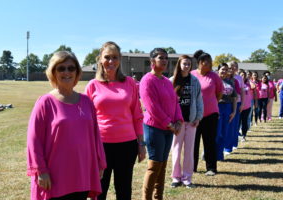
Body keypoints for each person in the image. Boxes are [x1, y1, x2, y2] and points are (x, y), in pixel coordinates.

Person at [27, 51, 106, 200]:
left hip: (82, 172)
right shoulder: (45, 103)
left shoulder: (86, 101)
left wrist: (100, 161)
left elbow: (95, 134)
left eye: (71, 68)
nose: (66, 72)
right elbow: (34, 141)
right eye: (61, 68)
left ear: (77, 71)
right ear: (53, 72)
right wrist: (41, 171)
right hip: (55, 175)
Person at [85, 41, 145, 200]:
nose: (111, 61)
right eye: (107, 57)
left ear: (120, 59)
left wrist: (141, 144)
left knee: (124, 190)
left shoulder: (130, 83)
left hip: (127, 145)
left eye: (115, 57)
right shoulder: (92, 85)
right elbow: (87, 120)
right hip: (101, 145)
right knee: (99, 191)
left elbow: (137, 115)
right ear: (99, 59)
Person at [140, 48, 183, 200]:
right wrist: (169, 124)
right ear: (152, 61)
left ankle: (159, 197)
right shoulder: (147, 80)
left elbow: (175, 102)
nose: (164, 60)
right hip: (154, 128)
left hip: (169, 129)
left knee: (163, 165)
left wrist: (178, 121)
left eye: (166, 58)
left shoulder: (166, 81)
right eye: (161, 58)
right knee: (154, 165)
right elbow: (152, 107)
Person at [169, 55, 203, 188]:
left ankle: (187, 178)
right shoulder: (172, 80)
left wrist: (198, 117)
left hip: (191, 120)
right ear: (179, 64)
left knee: (189, 151)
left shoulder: (194, 80)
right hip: (177, 121)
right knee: (176, 149)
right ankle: (176, 177)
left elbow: (199, 100)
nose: (187, 66)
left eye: (189, 64)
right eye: (184, 64)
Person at [191, 50, 223, 176]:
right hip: (193, 115)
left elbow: (219, 93)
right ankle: (191, 167)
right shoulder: (192, 75)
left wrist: (210, 103)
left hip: (211, 115)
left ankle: (211, 168)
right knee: (193, 142)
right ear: (199, 63)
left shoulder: (214, 76)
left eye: (210, 62)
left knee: (209, 142)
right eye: (207, 62)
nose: (210, 64)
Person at [216, 63, 237, 160]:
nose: (224, 71)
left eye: (226, 69)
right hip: (217, 108)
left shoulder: (230, 82)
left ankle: (220, 155)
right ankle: (211, 153)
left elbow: (234, 98)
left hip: (228, 108)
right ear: (218, 70)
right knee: (216, 133)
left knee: (224, 133)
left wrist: (234, 111)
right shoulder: (214, 81)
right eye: (222, 69)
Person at [228, 61, 244, 150]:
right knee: (228, 124)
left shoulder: (239, 78)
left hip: (237, 103)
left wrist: (242, 103)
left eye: (235, 66)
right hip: (227, 103)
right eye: (231, 66)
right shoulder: (225, 77)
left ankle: (233, 143)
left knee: (235, 125)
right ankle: (226, 144)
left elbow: (242, 91)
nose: (233, 68)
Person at [239, 70, 254, 141]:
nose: (243, 77)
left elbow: (253, 86)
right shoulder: (237, 83)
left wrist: (249, 80)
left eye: (244, 75)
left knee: (244, 121)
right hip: (238, 105)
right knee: (238, 122)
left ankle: (244, 135)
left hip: (247, 106)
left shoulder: (248, 84)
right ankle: (236, 134)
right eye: (241, 75)